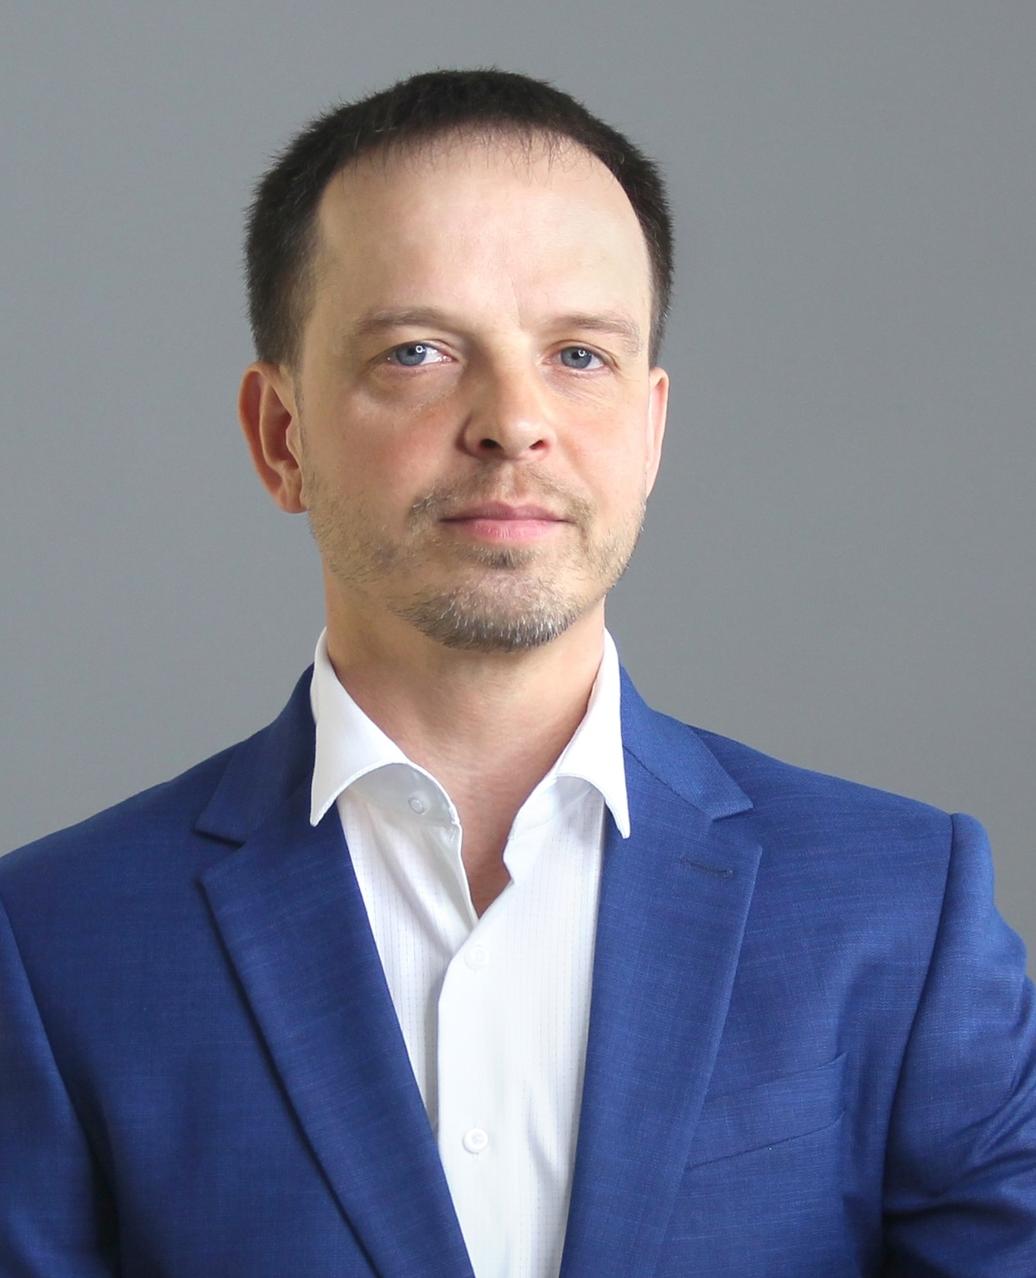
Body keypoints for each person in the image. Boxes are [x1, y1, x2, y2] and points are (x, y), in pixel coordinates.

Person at [1, 67, 1033, 1278]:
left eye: (579, 355)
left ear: (650, 432)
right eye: (417, 351)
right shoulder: (54, 944)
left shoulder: (901, 910)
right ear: (282, 437)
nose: (513, 420)